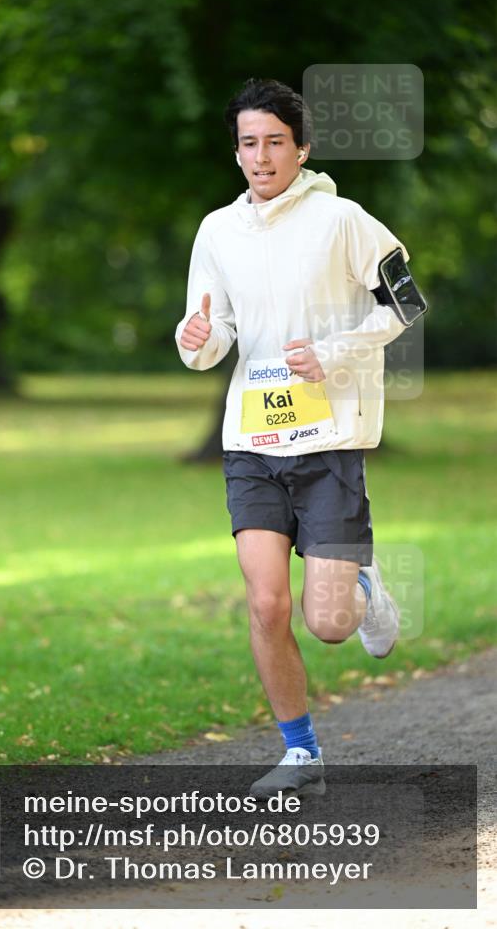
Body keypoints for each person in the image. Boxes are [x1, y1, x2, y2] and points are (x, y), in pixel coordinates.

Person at [174, 77, 415, 798]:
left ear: (301, 148)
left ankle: (364, 586)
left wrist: (335, 352)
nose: (261, 156)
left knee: (328, 623)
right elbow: (214, 332)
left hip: (329, 437)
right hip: (251, 438)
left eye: (274, 141)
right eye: (248, 143)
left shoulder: (342, 220)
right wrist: (196, 339)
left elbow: (405, 302)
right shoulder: (217, 230)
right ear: (236, 152)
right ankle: (301, 754)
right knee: (266, 604)